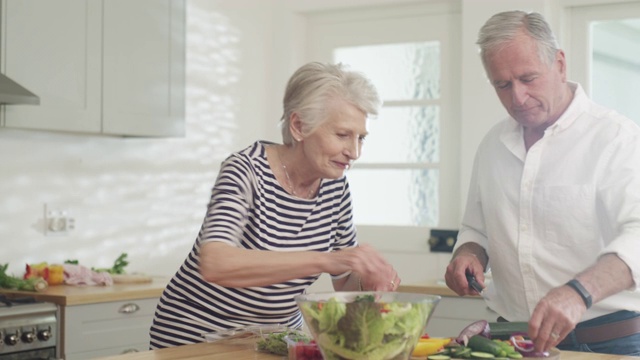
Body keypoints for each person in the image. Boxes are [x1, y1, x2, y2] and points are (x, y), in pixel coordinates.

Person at [149, 61, 401, 349]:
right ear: (299, 126)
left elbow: (344, 281)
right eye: (342, 135)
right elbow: (215, 263)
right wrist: (326, 259)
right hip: (197, 338)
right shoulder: (245, 170)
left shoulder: (335, 186)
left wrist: (367, 281)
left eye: (361, 138)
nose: (354, 152)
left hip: (274, 340)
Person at [444, 10, 640, 356]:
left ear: (560, 64)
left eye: (528, 78)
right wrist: (468, 253)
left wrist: (578, 292)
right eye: (502, 85)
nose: (517, 97)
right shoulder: (492, 145)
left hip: (611, 341)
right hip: (513, 341)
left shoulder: (618, 139)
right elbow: (476, 228)